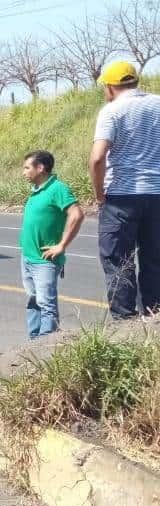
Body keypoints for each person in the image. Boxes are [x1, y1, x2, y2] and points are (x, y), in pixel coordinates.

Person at [90, 60, 160, 319]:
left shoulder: (112, 110)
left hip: (121, 196)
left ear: (110, 87)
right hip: (157, 195)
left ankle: (125, 323)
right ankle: (154, 318)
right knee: (154, 260)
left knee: (118, 260)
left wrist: (99, 195)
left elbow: (97, 158)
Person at [19, 150, 85, 338]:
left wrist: (62, 245)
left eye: (26, 168)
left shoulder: (58, 189)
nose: (24, 172)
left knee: (46, 304)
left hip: (45, 260)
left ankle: (46, 346)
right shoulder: (37, 191)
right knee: (33, 301)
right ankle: (33, 341)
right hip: (28, 257)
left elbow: (77, 214)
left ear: (40, 168)